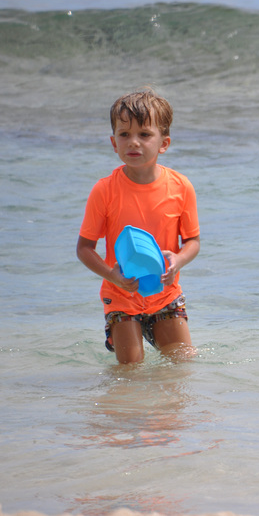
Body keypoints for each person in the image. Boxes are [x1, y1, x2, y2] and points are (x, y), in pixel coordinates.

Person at [77, 88, 200, 364]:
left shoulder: (181, 187)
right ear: (113, 142)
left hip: (166, 293)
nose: (133, 142)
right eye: (124, 135)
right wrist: (113, 275)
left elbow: (193, 242)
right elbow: (84, 248)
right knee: (129, 371)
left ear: (164, 143)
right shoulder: (104, 190)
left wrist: (178, 259)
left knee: (182, 365)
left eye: (144, 134)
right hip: (121, 294)